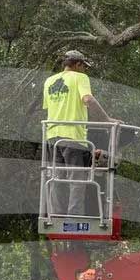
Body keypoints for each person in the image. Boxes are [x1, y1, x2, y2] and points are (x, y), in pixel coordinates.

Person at [42, 49, 116, 217]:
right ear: (78, 64)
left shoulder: (49, 81)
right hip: (72, 136)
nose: (85, 70)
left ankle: (56, 215)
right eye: (84, 66)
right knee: (77, 179)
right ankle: (74, 215)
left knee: (57, 178)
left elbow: (54, 108)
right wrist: (106, 119)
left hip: (52, 137)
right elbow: (88, 100)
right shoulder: (80, 78)